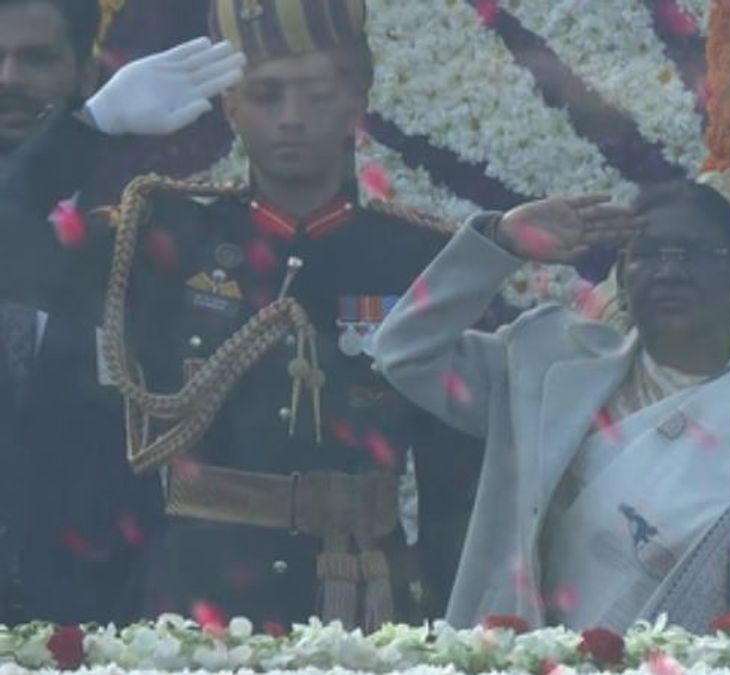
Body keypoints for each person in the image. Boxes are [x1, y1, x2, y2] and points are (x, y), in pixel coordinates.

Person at [0, 0, 481, 629]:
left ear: (357, 100)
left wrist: (454, 627)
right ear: (230, 106)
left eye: (317, 92)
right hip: (193, 609)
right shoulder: (163, 242)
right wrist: (93, 127)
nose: (292, 118)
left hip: (365, 603)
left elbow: (455, 486)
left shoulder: (425, 261)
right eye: (265, 94)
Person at [373, 180, 730, 635]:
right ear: (623, 279)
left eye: (695, 253)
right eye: (649, 254)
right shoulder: (543, 371)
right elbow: (405, 352)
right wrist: (500, 242)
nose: (670, 271)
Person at [0, 0, 245, 624]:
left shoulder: (152, 228)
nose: (7, 79)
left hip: (106, 613)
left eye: (36, 58)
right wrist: (90, 126)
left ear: (85, 72)